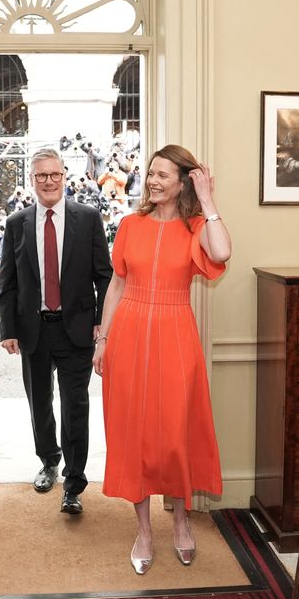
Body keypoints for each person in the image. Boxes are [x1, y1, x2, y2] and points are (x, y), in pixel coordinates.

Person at [92, 144, 231, 575]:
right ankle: (143, 530)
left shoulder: (195, 228)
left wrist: (207, 200)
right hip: (129, 333)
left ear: (183, 181)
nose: (153, 181)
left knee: (175, 433)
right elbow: (116, 285)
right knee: (133, 433)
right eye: (150, 173)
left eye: (163, 175)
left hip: (175, 334)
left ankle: (182, 521)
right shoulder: (130, 224)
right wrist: (103, 340)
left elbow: (222, 253)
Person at [0, 148, 112, 513]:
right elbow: (8, 282)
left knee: (75, 405)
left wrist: (100, 322)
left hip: (76, 329)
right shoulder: (17, 223)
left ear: (65, 176)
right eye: (41, 176)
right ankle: (49, 461)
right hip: (34, 329)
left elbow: (104, 277)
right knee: (40, 401)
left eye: (55, 175)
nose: (49, 181)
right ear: (32, 180)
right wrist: (7, 329)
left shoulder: (88, 218)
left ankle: (74, 485)